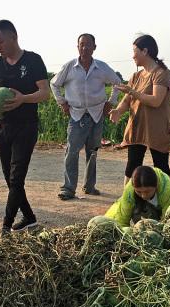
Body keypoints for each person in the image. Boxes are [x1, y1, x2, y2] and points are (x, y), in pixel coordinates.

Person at [0, 19, 50, 235]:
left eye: (0, 41)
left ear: (13, 36)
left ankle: (6, 225)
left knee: (17, 177)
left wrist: (23, 98)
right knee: (9, 178)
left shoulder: (33, 60)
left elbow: (45, 92)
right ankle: (30, 218)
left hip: (26, 127)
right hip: (4, 126)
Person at [50, 33, 121, 200]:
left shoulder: (102, 68)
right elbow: (54, 83)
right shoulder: (69, 67)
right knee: (72, 151)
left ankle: (89, 186)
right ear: (77, 47)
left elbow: (117, 83)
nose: (85, 48)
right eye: (82, 45)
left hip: (97, 114)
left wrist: (110, 102)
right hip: (76, 115)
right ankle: (68, 188)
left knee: (93, 151)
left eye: (88, 45)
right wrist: (62, 103)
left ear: (94, 47)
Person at [109, 35, 170, 186]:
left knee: (161, 167)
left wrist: (132, 91)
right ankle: (128, 201)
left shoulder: (161, 73)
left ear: (145, 51)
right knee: (132, 165)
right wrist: (118, 110)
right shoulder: (136, 76)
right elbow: (127, 100)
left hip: (156, 128)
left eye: (135, 51)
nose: (132, 56)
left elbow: (156, 100)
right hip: (137, 127)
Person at [105, 166, 170, 227]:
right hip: (151, 208)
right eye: (139, 192)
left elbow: (167, 221)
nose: (143, 195)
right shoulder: (129, 190)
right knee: (133, 211)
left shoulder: (167, 188)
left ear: (156, 187)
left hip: (168, 207)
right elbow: (122, 219)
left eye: (147, 191)